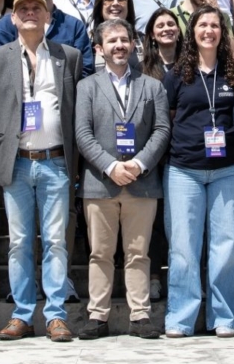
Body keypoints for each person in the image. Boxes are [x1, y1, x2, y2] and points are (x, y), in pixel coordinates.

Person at [0, 0, 83, 341]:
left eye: (36, 8)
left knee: (56, 241)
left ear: (47, 16)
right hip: (18, 163)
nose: (29, 13)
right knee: (20, 242)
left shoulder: (68, 56)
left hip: (56, 161)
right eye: (22, 8)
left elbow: (73, 112)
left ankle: (55, 315)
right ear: (12, 17)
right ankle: (22, 314)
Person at [72, 17, 171, 339]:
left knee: (138, 252)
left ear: (133, 45)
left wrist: (140, 164)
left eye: (124, 40)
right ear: (99, 48)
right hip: (100, 183)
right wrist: (111, 166)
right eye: (112, 41)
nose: (119, 46)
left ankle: (140, 315)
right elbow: (82, 133)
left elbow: (161, 130)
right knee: (100, 253)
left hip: (142, 183)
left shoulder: (152, 85)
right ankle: (97, 315)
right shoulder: (86, 87)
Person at [157, 5, 234, 338]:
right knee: (183, 246)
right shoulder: (177, 74)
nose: (209, 30)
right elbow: (164, 117)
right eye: (202, 25)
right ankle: (180, 318)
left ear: (223, 32)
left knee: (225, 246)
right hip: (184, 170)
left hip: (228, 170)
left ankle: (224, 317)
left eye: (215, 25)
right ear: (192, 31)